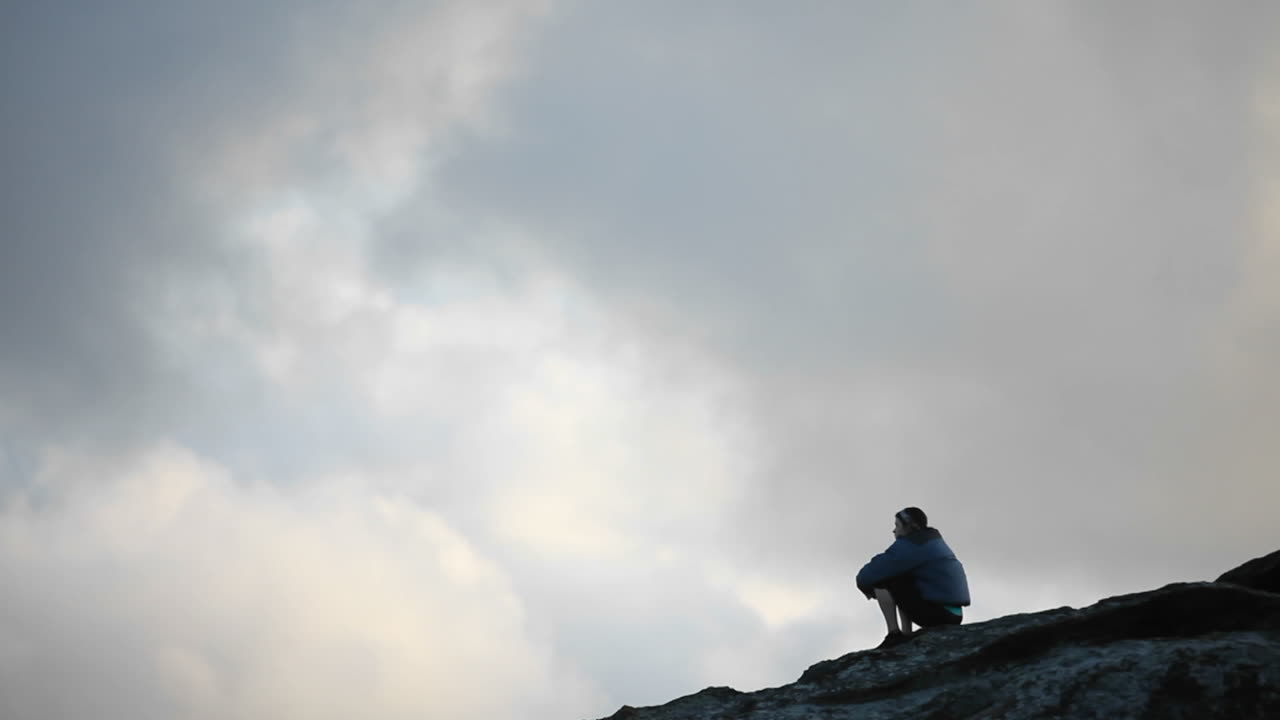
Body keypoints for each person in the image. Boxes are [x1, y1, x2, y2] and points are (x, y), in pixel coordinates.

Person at [856, 507, 970, 649]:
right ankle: (906, 634)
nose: (894, 530)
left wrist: (867, 588)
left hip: (939, 614)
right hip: (954, 614)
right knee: (902, 576)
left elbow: (868, 574)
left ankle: (894, 634)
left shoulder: (913, 545)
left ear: (909, 527)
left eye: (897, 525)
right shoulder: (932, 542)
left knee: (883, 580)